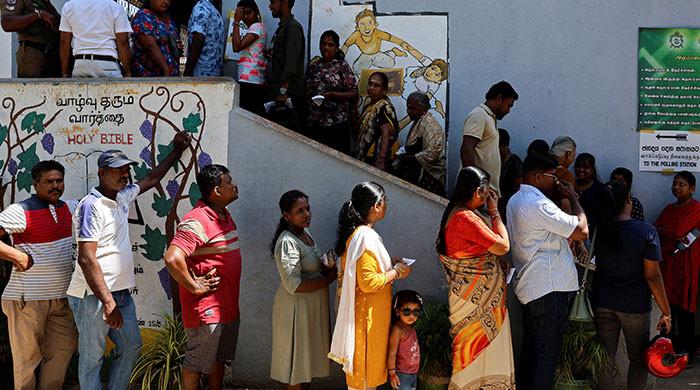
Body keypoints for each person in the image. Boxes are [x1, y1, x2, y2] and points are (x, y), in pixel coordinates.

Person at [67, 132, 191, 390]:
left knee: (132, 345)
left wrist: (177, 150)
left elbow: (152, 178)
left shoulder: (121, 196)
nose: (124, 175)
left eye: (126, 170)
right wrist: (108, 301)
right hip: (93, 296)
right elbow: (87, 259)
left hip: (119, 294)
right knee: (92, 358)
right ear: (102, 173)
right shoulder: (91, 206)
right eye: (117, 171)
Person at [506, 153, 588, 390]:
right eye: (553, 176)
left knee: (532, 352)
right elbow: (581, 231)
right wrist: (573, 197)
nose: (556, 182)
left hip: (533, 287)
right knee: (545, 356)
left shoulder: (515, 200)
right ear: (538, 176)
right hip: (548, 287)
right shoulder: (537, 204)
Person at [0, 161, 78, 390]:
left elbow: (125, 192)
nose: (55, 186)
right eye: (48, 182)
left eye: (59, 181)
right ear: (36, 184)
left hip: (60, 299)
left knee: (63, 349)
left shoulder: (68, 208)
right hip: (27, 300)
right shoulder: (21, 211)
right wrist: (16, 255)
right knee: (26, 361)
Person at [163, 164, 241, 390]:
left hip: (227, 308)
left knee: (217, 359)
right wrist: (194, 286)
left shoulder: (223, 215)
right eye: (229, 182)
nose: (234, 185)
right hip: (207, 311)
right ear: (217, 191)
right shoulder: (197, 220)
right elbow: (172, 258)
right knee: (195, 364)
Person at [329, 182, 412, 390]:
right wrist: (398, 271)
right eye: (385, 202)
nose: (386, 206)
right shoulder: (364, 236)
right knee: (363, 383)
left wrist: (391, 263)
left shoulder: (361, 235)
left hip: (368, 315)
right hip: (366, 319)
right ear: (376, 206)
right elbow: (368, 282)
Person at [436, 166, 514, 389]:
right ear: (479, 191)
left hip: (478, 302)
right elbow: (503, 246)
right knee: (473, 357)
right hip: (476, 304)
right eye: (487, 191)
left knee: (477, 357)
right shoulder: (465, 218)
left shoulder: (458, 213)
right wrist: (494, 211)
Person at [592, 181, 671, 390]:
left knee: (605, 359)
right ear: (629, 201)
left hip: (603, 303)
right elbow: (653, 276)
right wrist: (666, 311)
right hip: (635, 306)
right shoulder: (646, 231)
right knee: (638, 358)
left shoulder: (599, 230)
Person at [270, 190, 335, 389]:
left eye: (308, 208)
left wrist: (326, 267)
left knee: (307, 366)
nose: (307, 214)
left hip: (310, 310)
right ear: (286, 215)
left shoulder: (305, 233)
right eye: (300, 211)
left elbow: (311, 265)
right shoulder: (287, 241)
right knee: (296, 369)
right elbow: (294, 285)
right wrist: (330, 279)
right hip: (295, 311)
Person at [655, 171, 700, 360]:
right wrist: (668, 232)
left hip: (687, 265)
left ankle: (686, 349)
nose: (676, 187)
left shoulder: (696, 209)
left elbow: (678, 230)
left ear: (692, 189)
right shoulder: (669, 208)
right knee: (669, 306)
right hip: (669, 264)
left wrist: (667, 231)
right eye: (675, 183)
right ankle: (668, 347)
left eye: (681, 184)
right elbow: (654, 228)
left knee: (686, 307)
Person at [460, 81, 518, 196]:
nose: (508, 110)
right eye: (508, 106)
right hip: (478, 192)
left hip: (486, 192)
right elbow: (466, 149)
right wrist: (476, 184)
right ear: (499, 98)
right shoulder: (479, 115)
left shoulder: (489, 118)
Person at [305, 30, 358, 154]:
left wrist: (333, 95)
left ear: (336, 47)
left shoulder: (342, 67)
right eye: (323, 44)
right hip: (316, 124)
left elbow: (354, 93)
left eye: (330, 45)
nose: (326, 48)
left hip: (337, 123)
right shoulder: (314, 66)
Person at [58, 0, 132, 78]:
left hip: (80, 64)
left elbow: (64, 41)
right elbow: (123, 42)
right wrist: (128, 71)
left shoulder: (69, 6)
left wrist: (64, 72)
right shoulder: (115, 7)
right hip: (108, 65)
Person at [394, 91, 446, 196]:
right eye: (408, 108)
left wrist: (409, 158)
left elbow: (433, 153)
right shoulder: (420, 120)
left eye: (412, 108)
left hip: (429, 177)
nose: (408, 112)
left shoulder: (430, 126)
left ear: (423, 109)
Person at [267, 0, 305, 131]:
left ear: (285, 2)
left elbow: (291, 61)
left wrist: (283, 91)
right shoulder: (284, 27)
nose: (270, 6)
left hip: (288, 95)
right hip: (281, 92)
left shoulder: (292, 27)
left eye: (273, 2)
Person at [0, 0, 60, 77]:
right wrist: (38, 15)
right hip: (33, 55)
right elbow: (7, 23)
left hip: (51, 56)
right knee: (32, 88)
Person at [356, 72, 399, 171]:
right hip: (363, 156)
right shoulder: (370, 104)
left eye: (376, 85)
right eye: (370, 84)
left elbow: (386, 133)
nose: (371, 88)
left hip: (373, 159)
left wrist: (381, 160)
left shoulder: (384, 106)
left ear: (384, 90)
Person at [231, 0, 267, 116]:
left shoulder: (257, 27)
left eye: (248, 13)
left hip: (251, 80)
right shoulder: (255, 27)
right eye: (243, 14)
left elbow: (237, 46)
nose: (245, 17)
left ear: (256, 12)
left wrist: (236, 21)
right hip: (250, 79)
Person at [130, 0, 180, 77]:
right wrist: (166, 70)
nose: (166, 1)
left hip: (171, 77)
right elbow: (149, 45)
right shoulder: (144, 16)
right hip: (151, 78)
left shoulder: (169, 20)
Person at [387, 290, 422, 390]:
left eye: (416, 312)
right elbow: (392, 353)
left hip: (413, 373)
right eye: (407, 311)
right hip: (402, 375)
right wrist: (392, 373)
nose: (412, 316)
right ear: (398, 312)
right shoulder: (398, 330)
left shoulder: (411, 327)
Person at [184, 0, 225, 77]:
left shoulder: (201, 8)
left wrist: (188, 71)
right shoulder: (214, 11)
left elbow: (199, 38)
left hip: (200, 74)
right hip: (214, 74)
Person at [574, 152, 608, 230]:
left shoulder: (601, 190)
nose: (581, 170)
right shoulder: (570, 186)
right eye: (578, 166)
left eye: (586, 167)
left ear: (592, 170)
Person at [498, 128, 523, 219]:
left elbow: (518, 189)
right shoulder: (495, 160)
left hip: (508, 209)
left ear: (504, 146)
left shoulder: (514, 162)